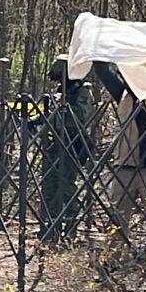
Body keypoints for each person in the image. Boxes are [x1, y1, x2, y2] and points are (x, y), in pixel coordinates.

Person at [92, 60, 146, 282]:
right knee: (118, 218)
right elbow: (102, 70)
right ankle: (112, 262)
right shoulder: (124, 95)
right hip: (124, 167)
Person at [29, 54, 93, 243]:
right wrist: (34, 121)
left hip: (72, 144)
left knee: (66, 186)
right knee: (49, 185)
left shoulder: (83, 92)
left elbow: (80, 117)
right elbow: (50, 115)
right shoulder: (60, 91)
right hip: (55, 143)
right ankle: (50, 227)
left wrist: (65, 106)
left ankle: (70, 225)